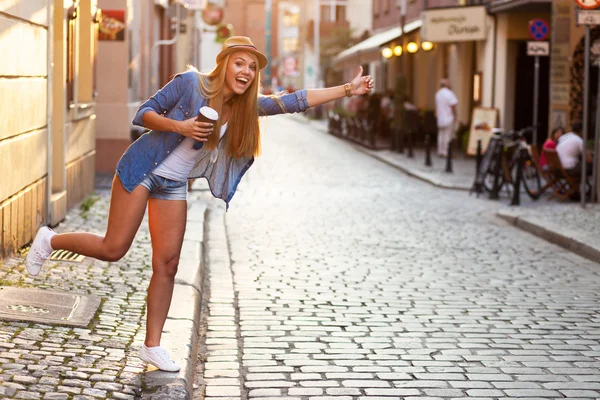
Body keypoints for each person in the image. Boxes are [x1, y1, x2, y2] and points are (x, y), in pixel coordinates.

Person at [25, 36, 374, 372]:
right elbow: (144, 113)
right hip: (143, 168)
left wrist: (347, 90)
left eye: (252, 67)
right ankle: (49, 240)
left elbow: (292, 100)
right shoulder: (191, 83)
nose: (247, 71)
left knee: (168, 264)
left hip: (174, 184)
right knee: (114, 247)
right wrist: (182, 126)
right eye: (240, 62)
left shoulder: (243, 107)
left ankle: (152, 345)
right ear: (223, 64)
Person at [435, 78, 458, 157]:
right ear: (446, 85)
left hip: (440, 118)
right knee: (448, 135)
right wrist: (455, 115)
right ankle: (446, 152)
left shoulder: (438, 94)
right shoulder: (449, 93)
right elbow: (453, 105)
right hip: (448, 117)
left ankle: (440, 151)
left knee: (441, 135)